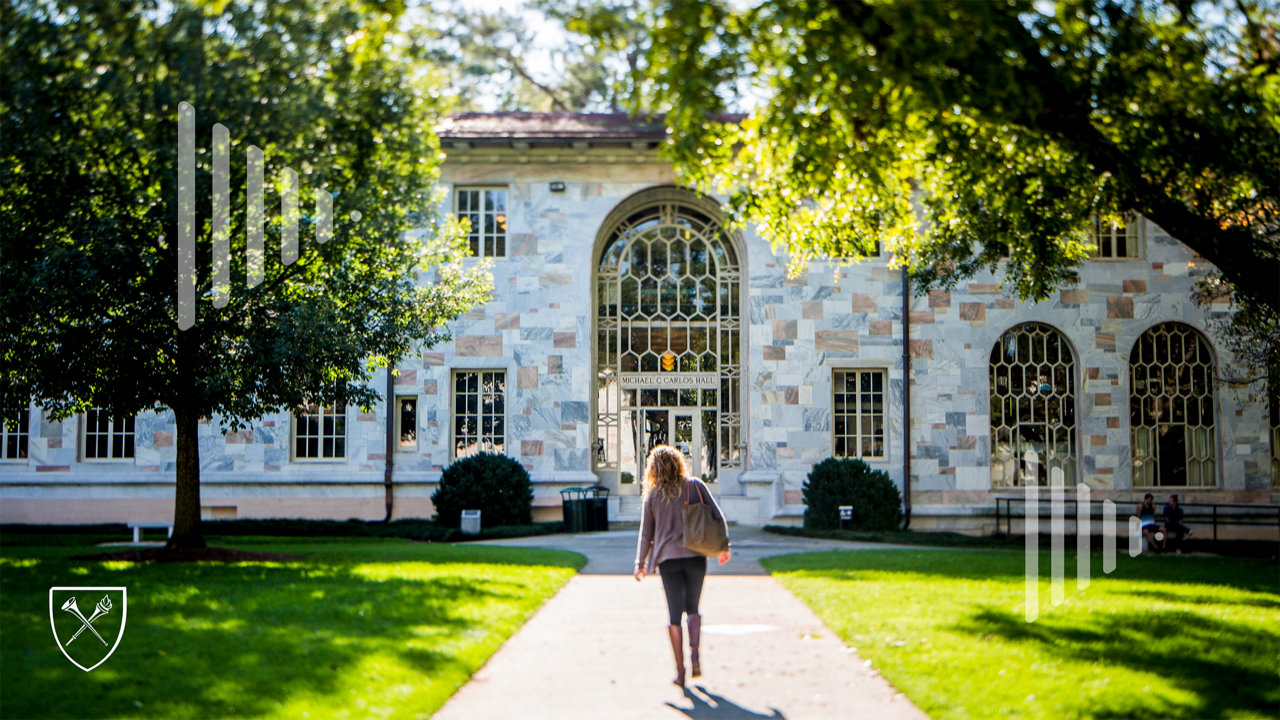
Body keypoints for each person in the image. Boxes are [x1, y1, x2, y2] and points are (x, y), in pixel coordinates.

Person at [634, 445, 732, 686]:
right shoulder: (695, 486)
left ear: (653, 469)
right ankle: (695, 657)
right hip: (696, 555)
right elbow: (718, 517)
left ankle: (680, 672)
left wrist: (641, 564)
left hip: (668, 561)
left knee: (674, 615)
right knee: (694, 608)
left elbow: (645, 535)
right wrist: (724, 547)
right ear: (678, 463)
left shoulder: (653, 496)